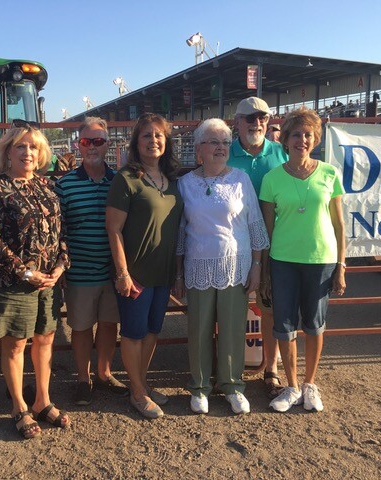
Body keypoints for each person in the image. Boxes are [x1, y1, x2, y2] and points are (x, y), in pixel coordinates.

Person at [0, 124, 70, 438]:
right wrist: (25, 271)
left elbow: (61, 233)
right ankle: (18, 405)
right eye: (20, 147)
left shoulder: (48, 186)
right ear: (8, 152)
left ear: (41, 153)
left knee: (45, 340)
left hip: (48, 282)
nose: (27, 153)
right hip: (13, 281)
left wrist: (60, 265)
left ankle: (42, 400)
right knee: (14, 346)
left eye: (33, 147)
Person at [174, 119, 269, 415]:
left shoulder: (240, 179)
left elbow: (255, 225)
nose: (221, 148)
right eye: (214, 142)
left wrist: (256, 265)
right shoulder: (185, 183)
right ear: (199, 148)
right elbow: (179, 231)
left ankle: (232, 386)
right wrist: (177, 272)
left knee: (232, 329)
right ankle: (200, 386)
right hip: (198, 266)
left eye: (226, 142)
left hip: (236, 266)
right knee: (199, 329)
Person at [259, 108, 346, 413]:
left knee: (315, 324)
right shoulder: (271, 179)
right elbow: (267, 232)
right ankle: (291, 385)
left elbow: (338, 224)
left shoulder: (329, 174)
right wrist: (266, 272)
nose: (302, 140)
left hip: (321, 259)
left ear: (315, 139)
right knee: (284, 326)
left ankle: (310, 383)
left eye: (308, 134)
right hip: (283, 260)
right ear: (285, 139)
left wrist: (341, 265)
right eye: (296, 134)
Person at [106, 113, 183, 419]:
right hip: (135, 273)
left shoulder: (172, 181)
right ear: (136, 143)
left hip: (163, 272)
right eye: (146, 136)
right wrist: (123, 273)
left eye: (158, 136)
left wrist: (177, 271)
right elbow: (113, 229)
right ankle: (136, 392)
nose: (153, 141)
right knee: (134, 333)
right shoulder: (126, 179)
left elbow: (178, 231)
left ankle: (143, 383)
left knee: (152, 331)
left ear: (167, 142)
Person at [55, 117, 129, 406]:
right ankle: (83, 378)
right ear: (78, 145)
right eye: (86, 142)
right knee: (82, 326)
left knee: (110, 324)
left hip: (112, 269)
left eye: (98, 141)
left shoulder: (119, 182)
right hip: (80, 270)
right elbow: (57, 228)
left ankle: (104, 373)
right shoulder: (66, 185)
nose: (92, 147)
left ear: (107, 144)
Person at [227, 96, 288, 399]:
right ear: (236, 122)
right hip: (232, 242)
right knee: (229, 305)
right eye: (250, 118)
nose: (257, 123)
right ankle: (228, 366)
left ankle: (270, 368)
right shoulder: (222, 152)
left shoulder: (280, 153)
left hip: (273, 242)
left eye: (262, 117)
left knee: (270, 307)